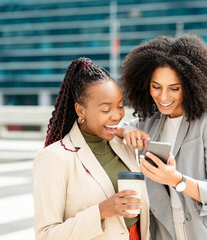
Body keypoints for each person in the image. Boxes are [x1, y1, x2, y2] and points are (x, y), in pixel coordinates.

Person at [117, 34, 207, 240]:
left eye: (174, 88)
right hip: (167, 233)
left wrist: (177, 180)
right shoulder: (150, 121)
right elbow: (109, 127)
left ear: (190, 85)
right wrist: (124, 130)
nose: (163, 97)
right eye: (156, 86)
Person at [33, 57, 150, 240]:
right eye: (106, 110)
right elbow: (46, 235)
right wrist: (101, 211)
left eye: (120, 106)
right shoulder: (54, 158)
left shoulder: (122, 145)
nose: (117, 115)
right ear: (80, 110)